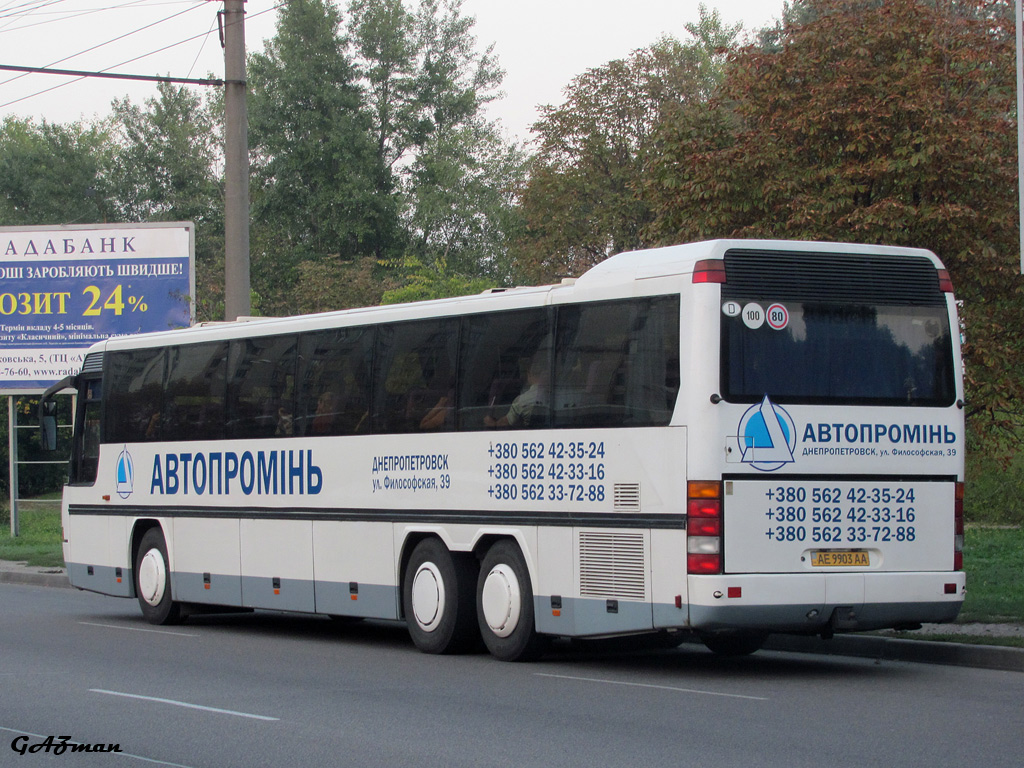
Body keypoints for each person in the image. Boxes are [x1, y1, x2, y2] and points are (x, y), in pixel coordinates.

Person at [485, 355, 549, 428]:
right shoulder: (561, 396)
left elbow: (505, 422)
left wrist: (492, 422)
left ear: (529, 374)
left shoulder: (521, 401)